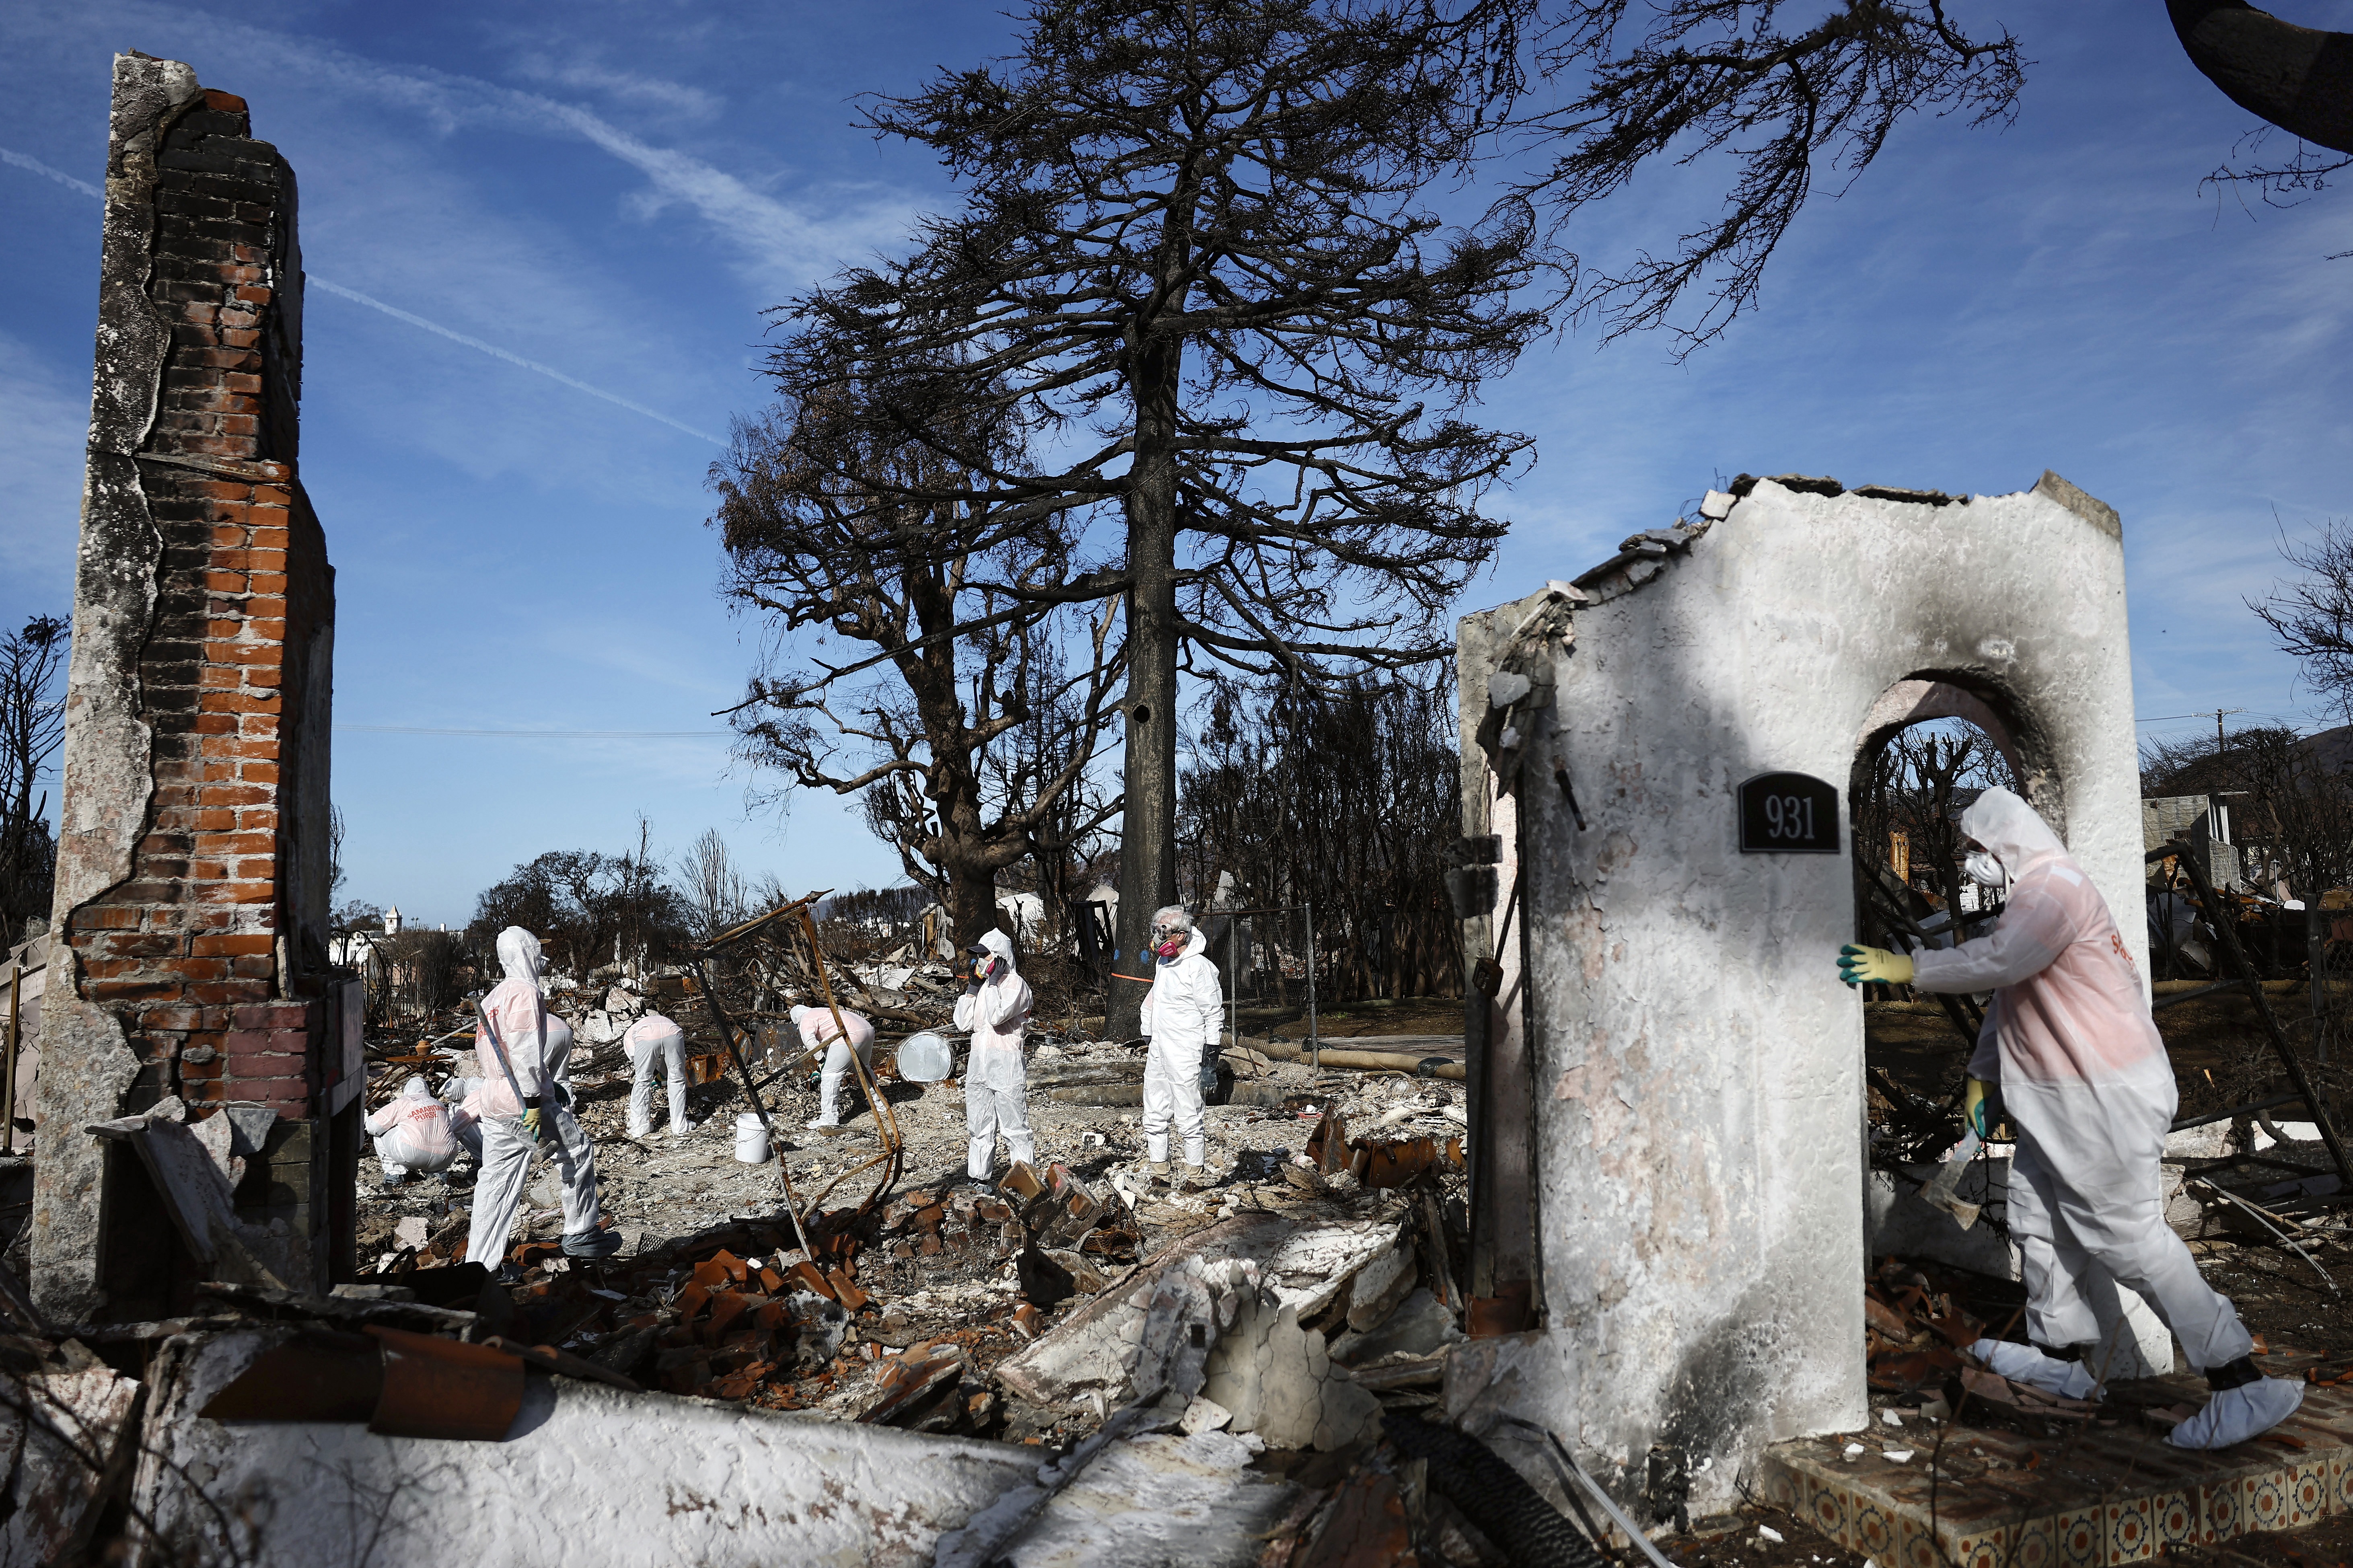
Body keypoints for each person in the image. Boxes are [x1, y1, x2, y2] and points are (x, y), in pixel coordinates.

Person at [1839, 786, 2303, 1449]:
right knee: (2035, 1216)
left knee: (2129, 1240)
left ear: (2008, 843)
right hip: (2062, 1101)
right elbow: (2014, 996)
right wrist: (1983, 1071)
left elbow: (2000, 963)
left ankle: (2240, 1379)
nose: (1971, 864)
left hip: (2102, 1096)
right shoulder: (2031, 900)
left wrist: (1911, 966)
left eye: (1977, 849)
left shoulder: (2054, 888)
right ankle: (2060, 1360)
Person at [463, 927, 620, 1276]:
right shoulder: (524, 991)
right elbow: (524, 1052)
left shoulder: (492, 998)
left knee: (495, 1184)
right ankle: (581, 1230)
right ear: (525, 952)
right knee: (577, 1151)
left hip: (495, 1100)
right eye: (536, 950)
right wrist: (535, 1100)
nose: (540, 956)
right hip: (522, 1099)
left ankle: (479, 1267)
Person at [1139, 904, 1222, 1185]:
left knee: (1188, 1114)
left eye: (1163, 932)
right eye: (1155, 931)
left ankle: (1195, 1177)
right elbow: (1153, 1000)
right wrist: (1148, 1031)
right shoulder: (1164, 964)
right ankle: (1160, 1173)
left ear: (1182, 934)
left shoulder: (1199, 968)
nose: (1158, 939)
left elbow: (1213, 1014)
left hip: (1186, 1053)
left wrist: (1210, 1058)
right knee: (1154, 1111)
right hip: (1160, 1050)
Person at [954, 927, 1033, 1186]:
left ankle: (1025, 1185)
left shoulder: (1015, 985)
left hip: (1006, 1065)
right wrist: (971, 989)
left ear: (1000, 958)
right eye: (979, 956)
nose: (981, 961)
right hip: (979, 1065)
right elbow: (963, 1023)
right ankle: (979, 1178)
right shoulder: (984, 988)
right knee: (979, 1126)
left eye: (986, 956)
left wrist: (992, 983)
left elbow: (997, 1016)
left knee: (1014, 1128)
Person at [794, 1001, 876, 1131]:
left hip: (850, 1032)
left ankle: (829, 1118)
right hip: (867, 1029)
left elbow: (810, 1042)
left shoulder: (805, 1019)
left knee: (830, 1075)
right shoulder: (819, 1012)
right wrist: (823, 1061)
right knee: (863, 1068)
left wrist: (821, 1061)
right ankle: (878, 1103)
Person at [366, 1076, 459, 1187]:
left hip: (413, 1154)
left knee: (381, 1130)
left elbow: (374, 1127)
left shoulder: (405, 1102)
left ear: (408, 1090)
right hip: (446, 1156)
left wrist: (368, 1120)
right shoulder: (439, 1104)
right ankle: (438, 1174)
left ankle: (394, 1174)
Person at [623, 1011, 695, 1140]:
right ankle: (680, 1126)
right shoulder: (658, 1020)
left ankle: (641, 1127)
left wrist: (651, 1070)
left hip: (647, 1035)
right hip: (673, 1032)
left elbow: (636, 1059)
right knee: (677, 1079)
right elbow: (662, 1060)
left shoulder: (629, 1037)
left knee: (643, 1081)